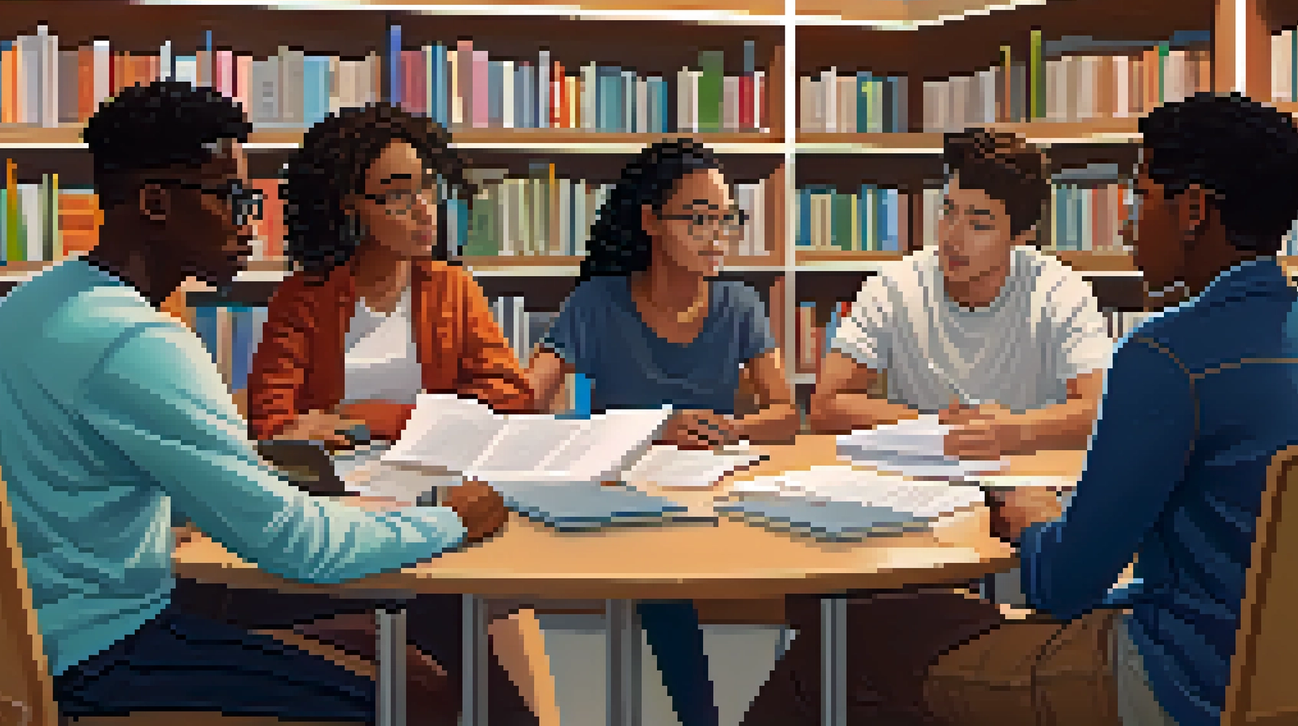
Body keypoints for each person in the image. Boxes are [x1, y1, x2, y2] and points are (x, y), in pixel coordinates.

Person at [741, 92, 1298, 726]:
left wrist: (1033, 518)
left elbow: (1062, 586)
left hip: (1178, 689)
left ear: (1193, 209)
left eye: (1141, 197)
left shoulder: (1167, 356)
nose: (1126, 221)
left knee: (843, 641)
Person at [0, 81, 510, 725]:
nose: (250, 220)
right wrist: (449, 520)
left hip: (39, 631)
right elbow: (299, 546)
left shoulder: (31, 306)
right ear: (156, 203)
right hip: (109, 653)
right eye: (233, 198)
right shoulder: (138, 341)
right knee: (417, 701)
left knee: (409, 640)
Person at [239, 102, 547, 725]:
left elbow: (511, 395)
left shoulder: (451, 288)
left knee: (468, 628)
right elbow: (271, 423)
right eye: (397, 195)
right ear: (351, 205)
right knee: (453, 633)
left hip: (430, 487)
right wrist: (430, 412)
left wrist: (367, 416)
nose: (423, 210)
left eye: (427, 188)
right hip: (338, 504)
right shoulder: (305, 296)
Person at [524, 138, 799, 726]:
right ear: (650, 221)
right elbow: (526, 403)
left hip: (717, 484)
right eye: (699, 219)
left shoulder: (740, 305)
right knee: (657, 577)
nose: (716, 236)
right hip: (625, 492)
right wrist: (652, 429)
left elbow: (784, 413)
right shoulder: (598, 303)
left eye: (727, 219)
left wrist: (729, 431)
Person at [811, 128, 1113, 460]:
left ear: (1022, 236)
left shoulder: (1061, 291)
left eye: (979, 224)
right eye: (948, 211)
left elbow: (1100, 408)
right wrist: (939, 430)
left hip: (1030, 478)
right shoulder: (894, 285)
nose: (952, 237)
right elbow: (826, 405)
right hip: (925, 477)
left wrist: (1013, 431)